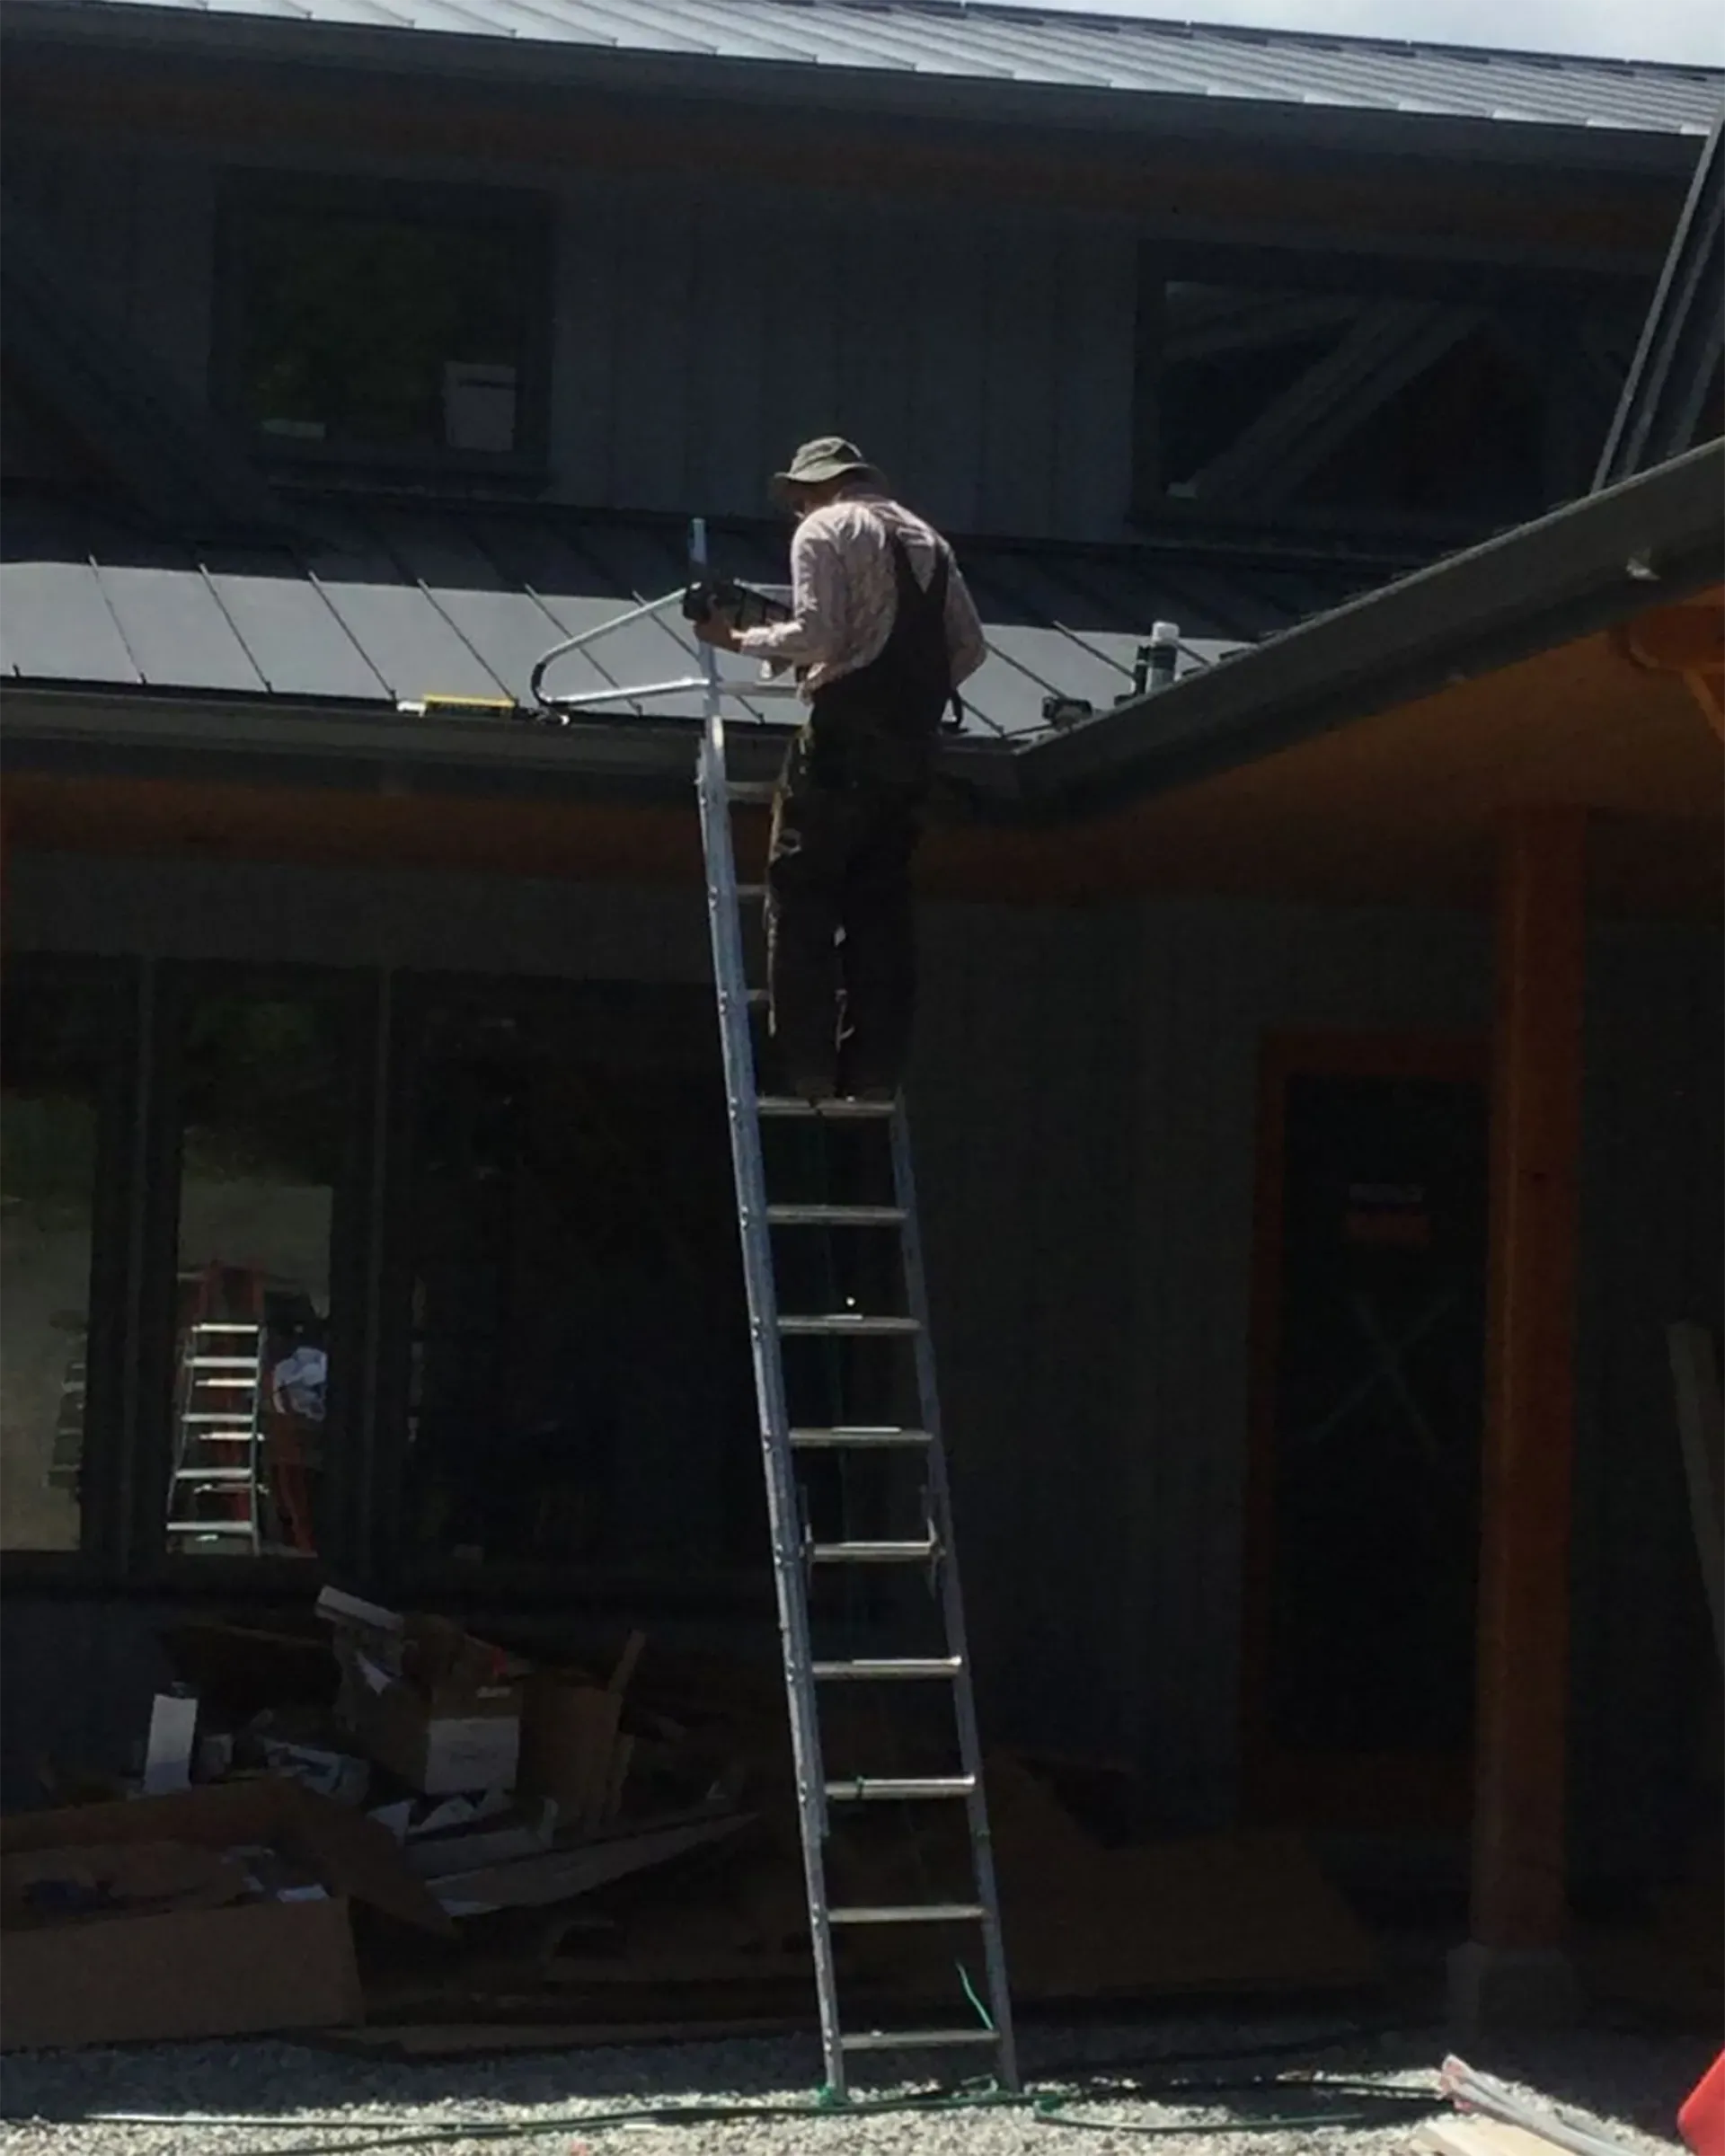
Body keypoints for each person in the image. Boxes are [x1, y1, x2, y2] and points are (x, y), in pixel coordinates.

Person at [693, 438, 986, 1103]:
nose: (797, 509)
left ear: (814, 490)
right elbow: (968, 647)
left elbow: (819, 635)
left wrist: (737, 640)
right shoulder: (928, 539)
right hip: (913, 743)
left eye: (798, 498)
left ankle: (808, 1064)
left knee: (801, 893)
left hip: (845, 732)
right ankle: (875, 1066)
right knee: (881, 904)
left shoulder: (825, 529)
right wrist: (913, 694)